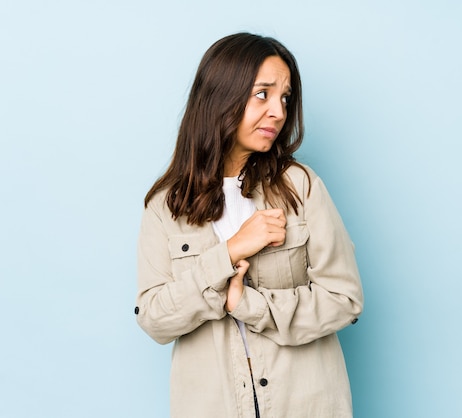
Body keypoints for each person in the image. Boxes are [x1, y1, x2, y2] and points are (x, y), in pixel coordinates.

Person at [135, 32, 363, 418]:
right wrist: (227, 254)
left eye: (285, 98)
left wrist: (250, 305)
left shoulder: (301, 187)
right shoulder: (165, 206)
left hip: (305, 405)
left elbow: (344, 299)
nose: (278, 111)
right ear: (221, 96)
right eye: (263, 94)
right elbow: (155, 318)